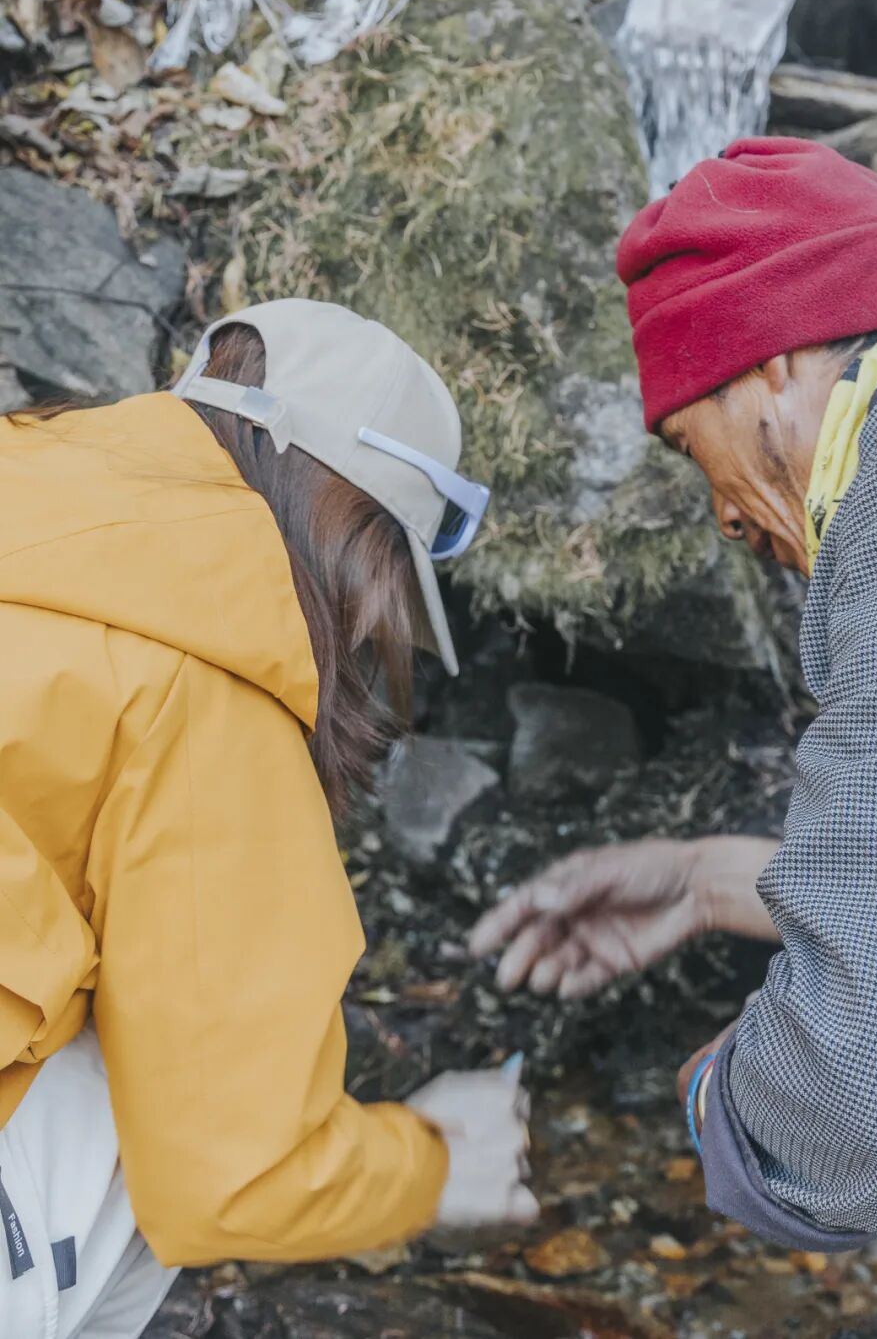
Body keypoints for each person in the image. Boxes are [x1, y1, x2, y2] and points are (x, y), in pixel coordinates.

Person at [472, 137, 877, 1339]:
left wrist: (733, 1106)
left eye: (687, 443)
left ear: (775, 366)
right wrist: (711, 881)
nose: (723, 519)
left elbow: (871, 1104)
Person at [0, 298, 536, 1339]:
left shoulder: (36, 486)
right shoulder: (208, 668)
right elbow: (231, 1173)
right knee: (145, 1102)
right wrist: (433, 1163)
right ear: (358, 542)